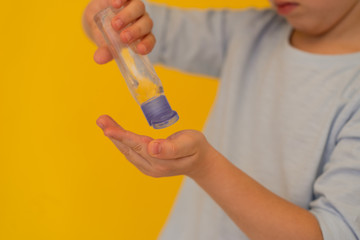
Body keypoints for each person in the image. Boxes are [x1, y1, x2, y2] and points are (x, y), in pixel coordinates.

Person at [82, 0, 360, 239]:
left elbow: (331, 232)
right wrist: (111, 18)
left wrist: (205, 166)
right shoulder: (252, 31)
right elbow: (138, 21)